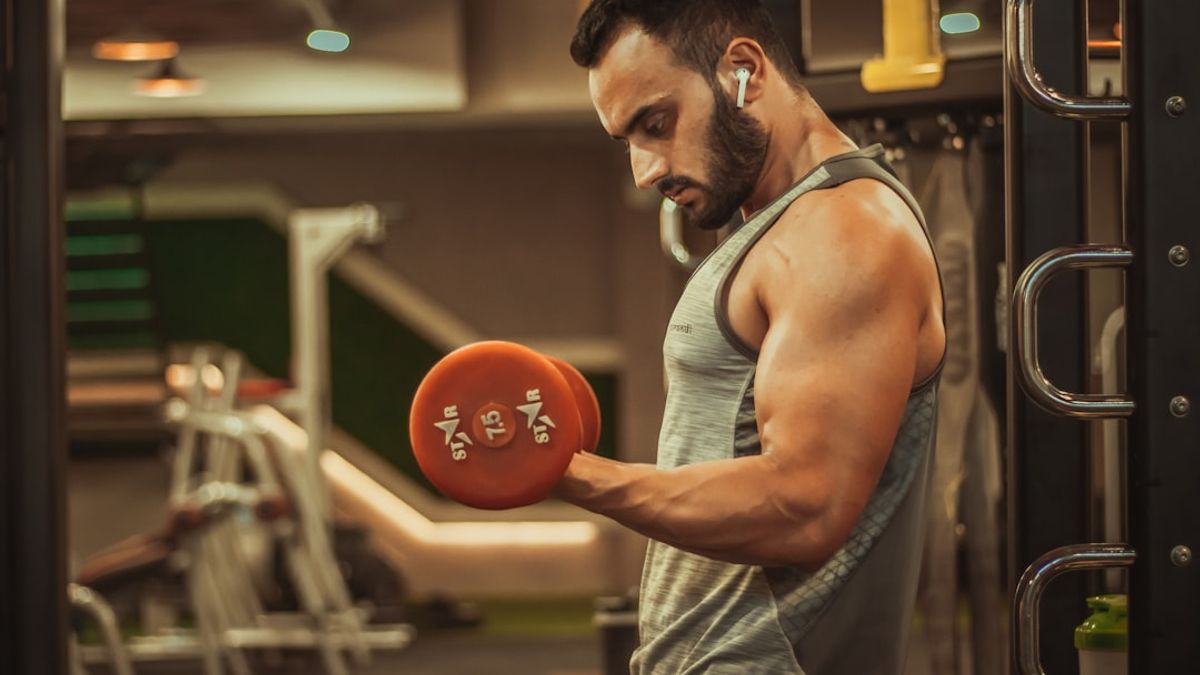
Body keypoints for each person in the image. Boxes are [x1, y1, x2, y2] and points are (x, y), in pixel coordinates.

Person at [554, 1, 947, 673]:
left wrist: (570, 472)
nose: (645, 172)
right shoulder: (783, 226)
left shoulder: (842, 231)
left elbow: (805, 504)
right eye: (629, 141)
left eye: (656, 123)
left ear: (743, 70)